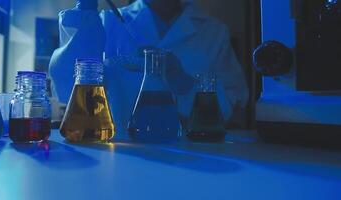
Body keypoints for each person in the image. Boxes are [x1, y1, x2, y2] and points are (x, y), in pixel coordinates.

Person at [49, 0, 249, 135]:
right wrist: (86, 13)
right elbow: (68, 88)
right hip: (122, 152)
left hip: (194, 155)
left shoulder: (214, 31)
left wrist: (186, 84)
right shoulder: (108, 21)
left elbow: (233, 105)